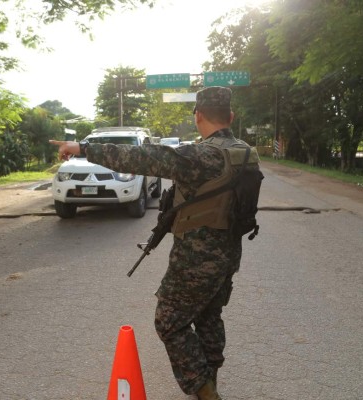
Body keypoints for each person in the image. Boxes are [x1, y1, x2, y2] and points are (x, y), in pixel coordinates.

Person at [50, 86, 261, 400]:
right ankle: (210, 378)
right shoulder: (246, 152)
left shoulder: (201, 155)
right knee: (208, 315)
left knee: (168, 322)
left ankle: (205, 391)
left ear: (198, 115)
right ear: (230, 116)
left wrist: (83, 148)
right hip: (229, 253)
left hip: (196, 258)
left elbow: (139, 157)